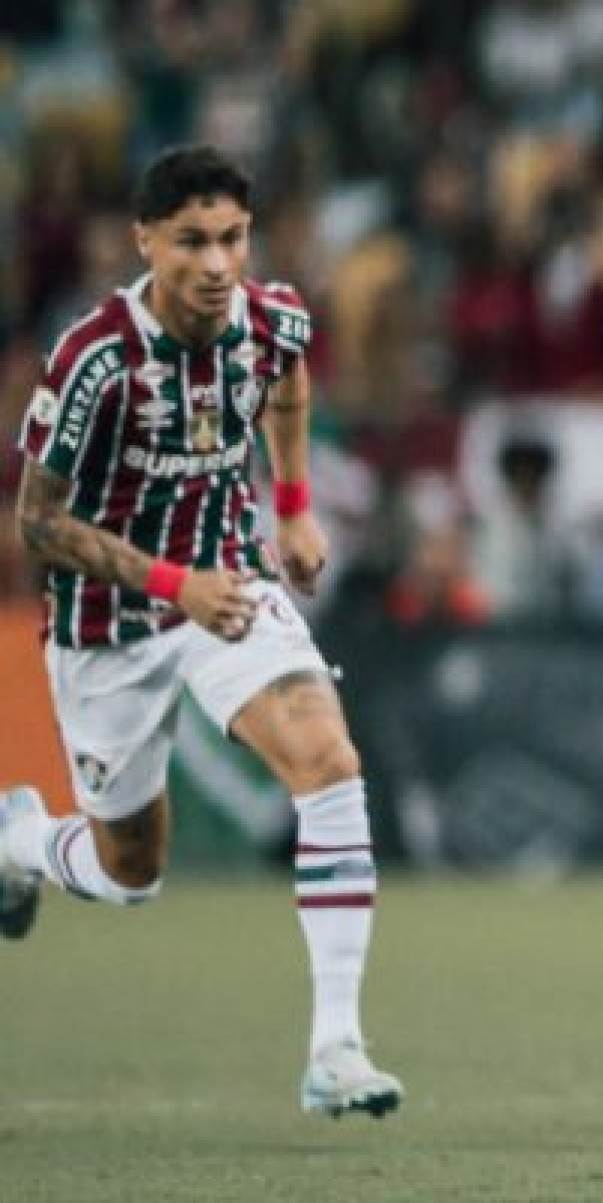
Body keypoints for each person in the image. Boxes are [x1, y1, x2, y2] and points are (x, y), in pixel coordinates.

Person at [0, 146, 404, 1119]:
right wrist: (170, 583)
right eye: (192, 242)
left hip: (229, 589)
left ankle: (336, 1049)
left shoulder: (271, 319)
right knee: (128, 873)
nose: (218, 264)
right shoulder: (94, 359)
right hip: (110, 625)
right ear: (146, 242)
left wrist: (296, 504)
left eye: (232, 238)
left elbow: (292, 381)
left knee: (327, 760)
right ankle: (18, 839)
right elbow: (37, 525)